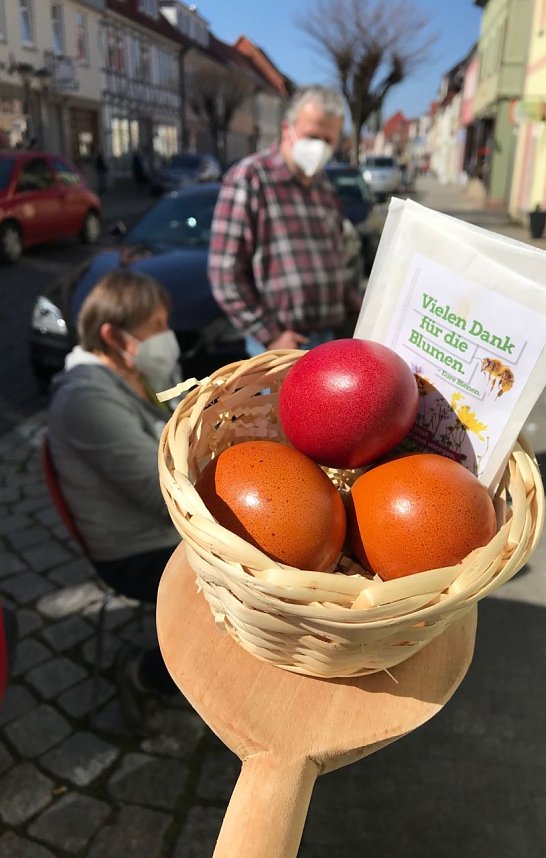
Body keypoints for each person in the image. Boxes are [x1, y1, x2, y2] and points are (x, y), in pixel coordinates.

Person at [47, 270, 183, 733]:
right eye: (157, 325)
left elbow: (182, 427)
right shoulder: (87, 399)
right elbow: (159, 493)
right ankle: (145, 674)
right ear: (112, 335)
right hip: (135, 550)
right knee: (244, 600)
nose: (167, 337)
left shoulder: (138, 372)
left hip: (164, 529)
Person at [208, 84, 362, 357]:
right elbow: (225, 273)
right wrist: (271, 335)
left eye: (329, 140)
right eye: (312, 136)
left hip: (327, 337)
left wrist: (355, 303)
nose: (320, 147)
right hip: (281, 343)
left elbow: (337, 258)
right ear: (286, 130)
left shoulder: (323, 185)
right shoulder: (250, 178)